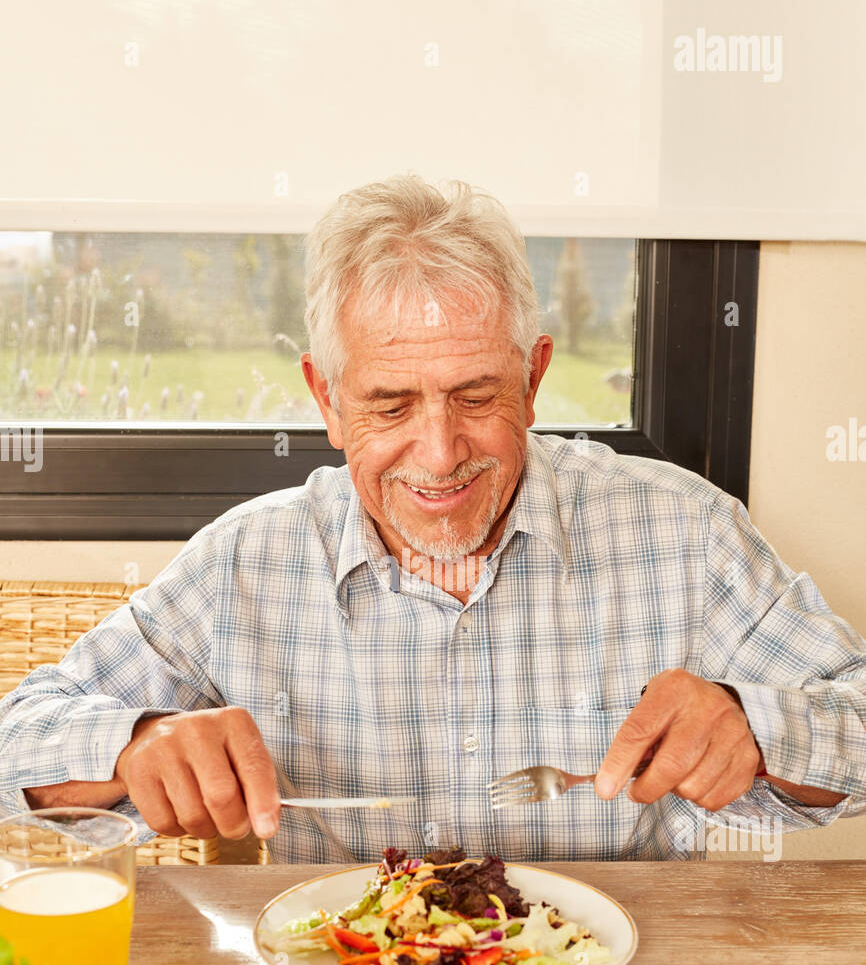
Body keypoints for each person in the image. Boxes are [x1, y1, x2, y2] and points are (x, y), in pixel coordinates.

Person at [0, 176, 864, 862]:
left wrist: (754, 726)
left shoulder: (682, 534)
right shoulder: (245, 565)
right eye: (389, 404)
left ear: (532, 380)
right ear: (327, 401)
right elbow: (16, 742)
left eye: (476, 395)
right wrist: (133, 745)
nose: (440, 451)